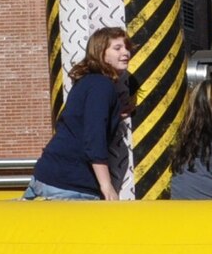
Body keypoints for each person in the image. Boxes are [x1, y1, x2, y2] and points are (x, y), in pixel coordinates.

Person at [24, 27, 132, 200]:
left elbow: (78, 123)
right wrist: (107, 186)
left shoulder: (87, 82)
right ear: (100, 52)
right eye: (117, 48)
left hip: (49, 176)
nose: (126, 52)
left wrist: (114, 114)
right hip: (70, 184)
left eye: (127, 47)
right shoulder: (102, 86)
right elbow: (94, 137)